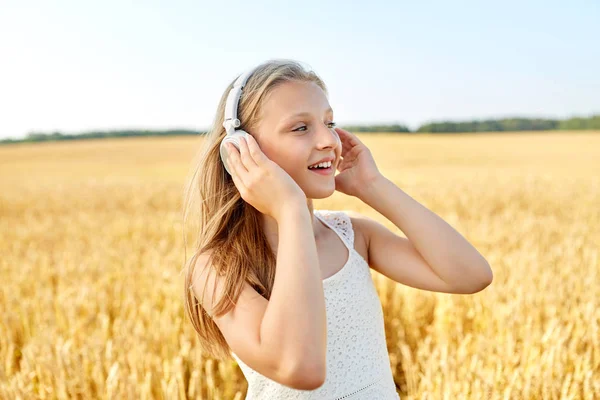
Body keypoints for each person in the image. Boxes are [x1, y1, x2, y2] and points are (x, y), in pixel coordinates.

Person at [182, 58, 493, 399]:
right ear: (240, 151)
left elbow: (471, 275)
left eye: (330, 123)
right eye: (300, 128)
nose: (328, 140)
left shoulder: (352, 237)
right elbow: (301, 368)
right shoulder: (219, 266)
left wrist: (372, 184)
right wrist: (291, 211)